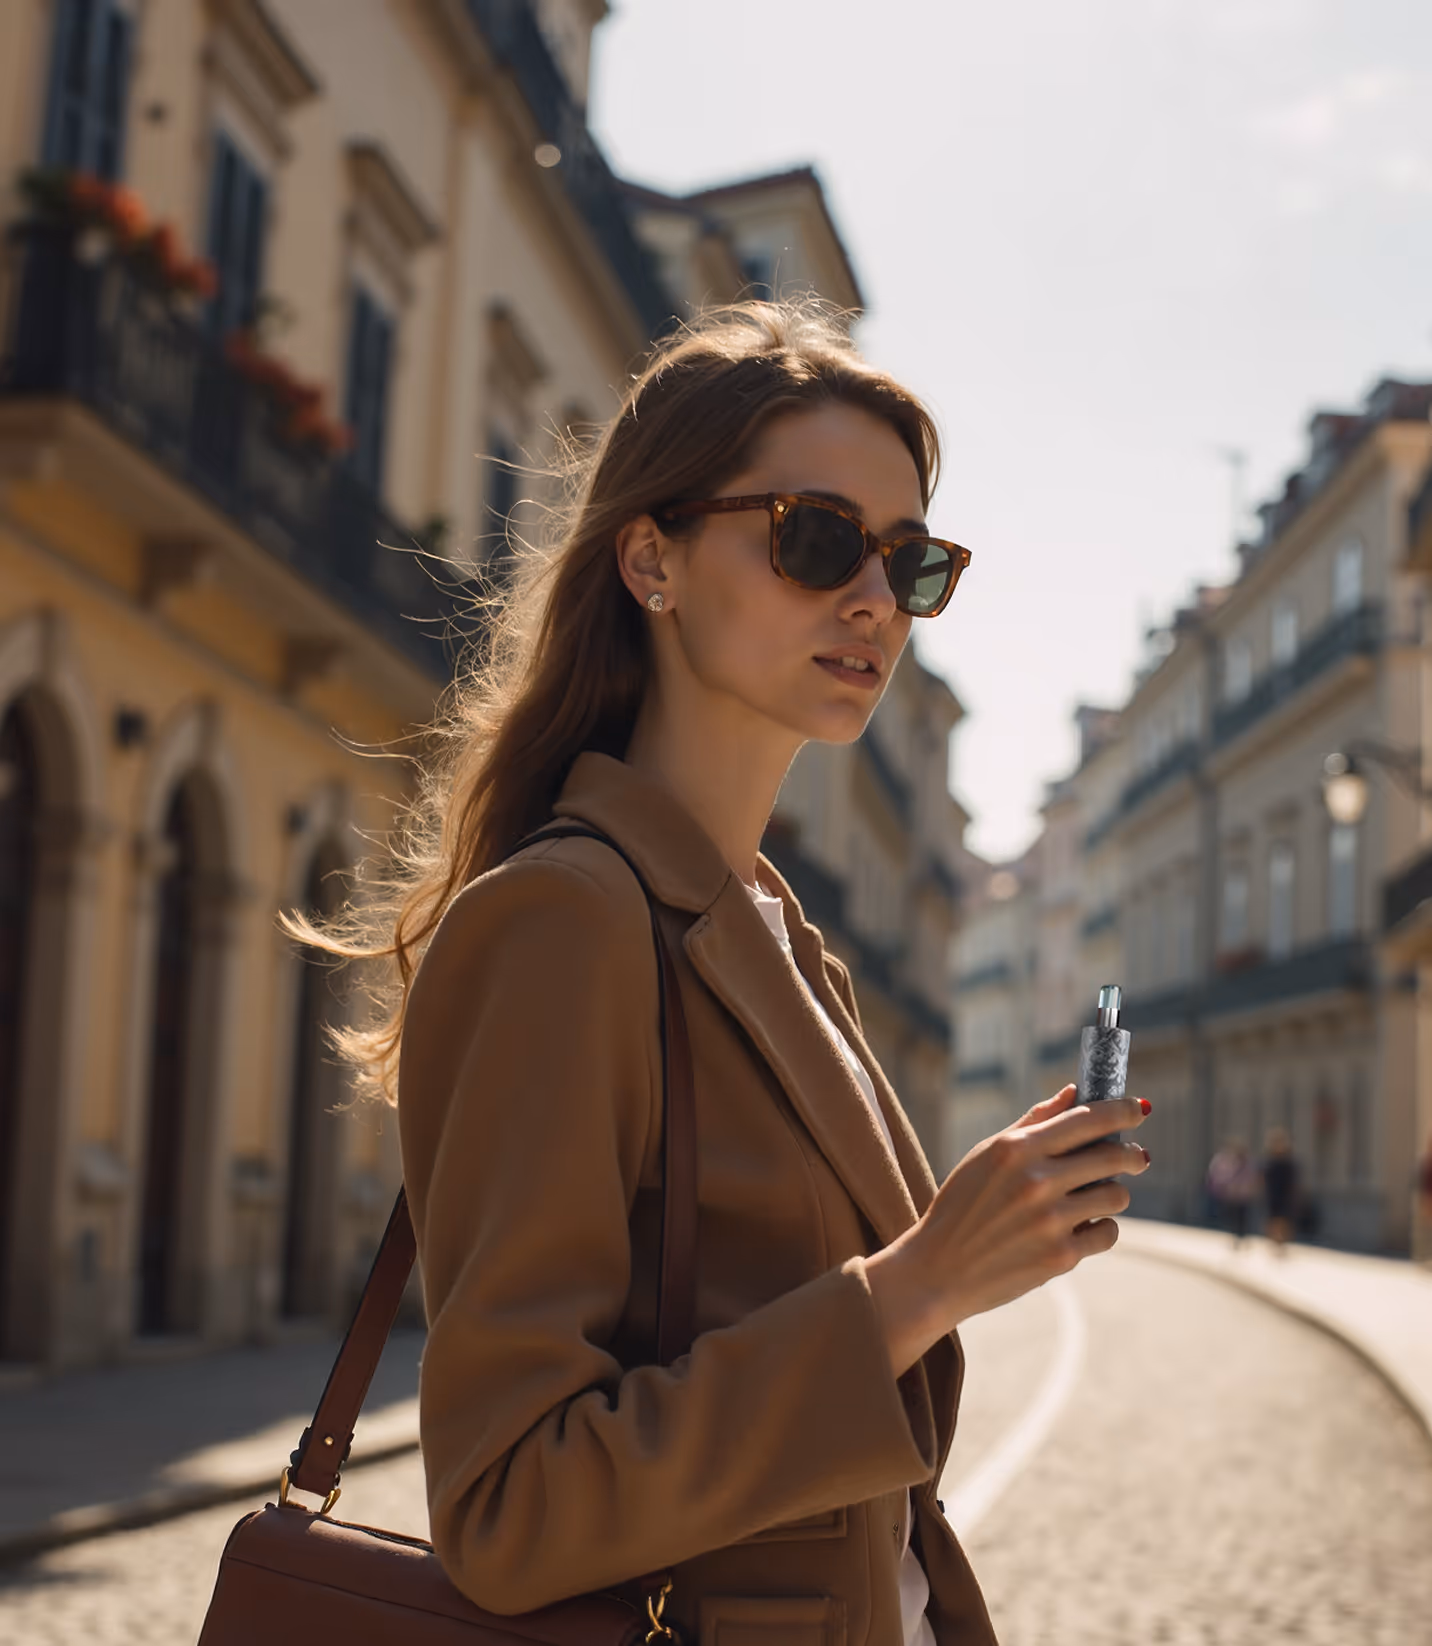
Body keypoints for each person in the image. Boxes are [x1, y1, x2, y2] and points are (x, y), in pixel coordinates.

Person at [296, 300, 1152, 1645]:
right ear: (652, 559)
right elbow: (511, 1501)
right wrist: (920, 1279)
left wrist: (979, 1246)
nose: (874, 599)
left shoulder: (783, 941)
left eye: (909, 560)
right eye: (816, 539)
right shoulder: (566, 922)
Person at [1205, 1138, 1258, 1247]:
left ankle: (1242, 1236)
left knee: (1244, 1218)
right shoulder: (1232, 1163)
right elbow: (1224, 1177)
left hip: (1244, 1195)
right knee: (1234, 1218)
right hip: (1234, 1195)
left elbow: (1253, 1178)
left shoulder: (1249, 1164)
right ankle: (1236, 1236)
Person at [1260, 1127, 1300, 1253]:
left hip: (1285, 1195)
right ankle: (1274, 1241)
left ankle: (1281, 1241)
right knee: (1273, 1218)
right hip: (1272, 1194)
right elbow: (1263, 1178)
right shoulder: (1270, 1162)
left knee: (1284, 1219)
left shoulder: (1288, 1163)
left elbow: (1294, 1181)